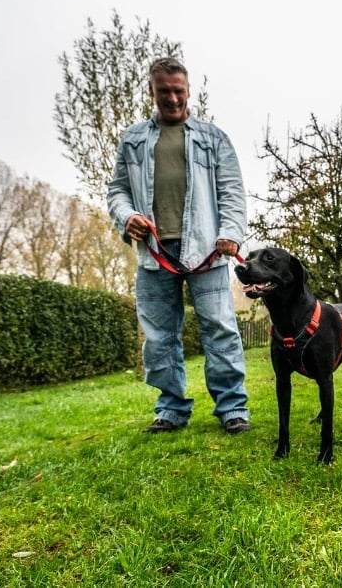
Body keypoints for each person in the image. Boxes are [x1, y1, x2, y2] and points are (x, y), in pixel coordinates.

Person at [107, 57, 251, 434]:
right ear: (152, 91)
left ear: (189, 92)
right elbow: (117, 190)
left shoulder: (213, 138)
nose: (173, 99)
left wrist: (232, 233)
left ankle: (232, 407)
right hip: (154, 253)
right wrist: (126, 217)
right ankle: (170, 408)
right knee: (159, 337)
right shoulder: (133, 140)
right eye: (164, 91)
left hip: (208, 251)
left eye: (179, 91)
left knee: (219, 329)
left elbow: (233, 192)